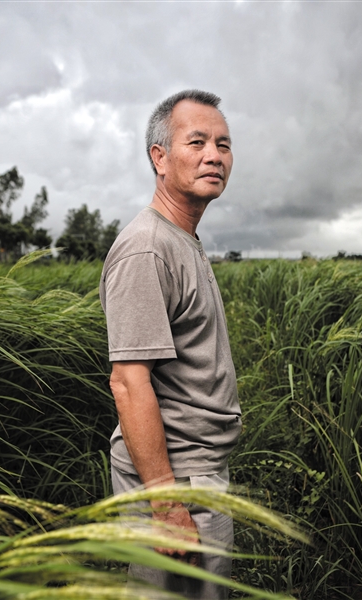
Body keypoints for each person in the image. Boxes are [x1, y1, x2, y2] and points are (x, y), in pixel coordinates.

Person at [100, 89, 242, 599]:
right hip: (173, 480)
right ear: (159, 157)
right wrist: (164, 503)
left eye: (223, 145)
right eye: (198, 141)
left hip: (194, 473)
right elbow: (128, 381)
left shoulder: (181, 238)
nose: (214, 156)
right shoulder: (147, 248)